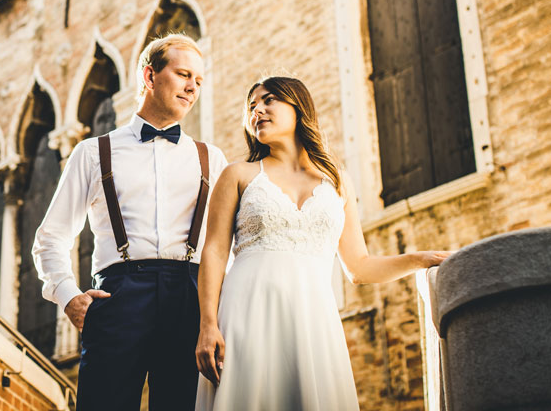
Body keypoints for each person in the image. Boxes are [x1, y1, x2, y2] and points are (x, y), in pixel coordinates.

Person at [194, 76, 450, 411]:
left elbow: (358, 267)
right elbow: (213, 252)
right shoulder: (238, 174)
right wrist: (208, 325)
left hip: (312, 316)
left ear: (298, 107)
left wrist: (419, 259)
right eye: (251, 106)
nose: (257, 110)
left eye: (268, 100)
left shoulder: (337, 180)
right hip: (247, 311)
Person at [33, 34, 228, 411]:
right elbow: (50, 237)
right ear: (149, 76)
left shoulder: (211, 159)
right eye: (184, 74)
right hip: (118, 296)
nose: (192, 87)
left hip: (190, 297)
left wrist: (218, 316)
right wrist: (68, 295)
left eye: (199, 81)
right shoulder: (92, 153)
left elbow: (225, 247)